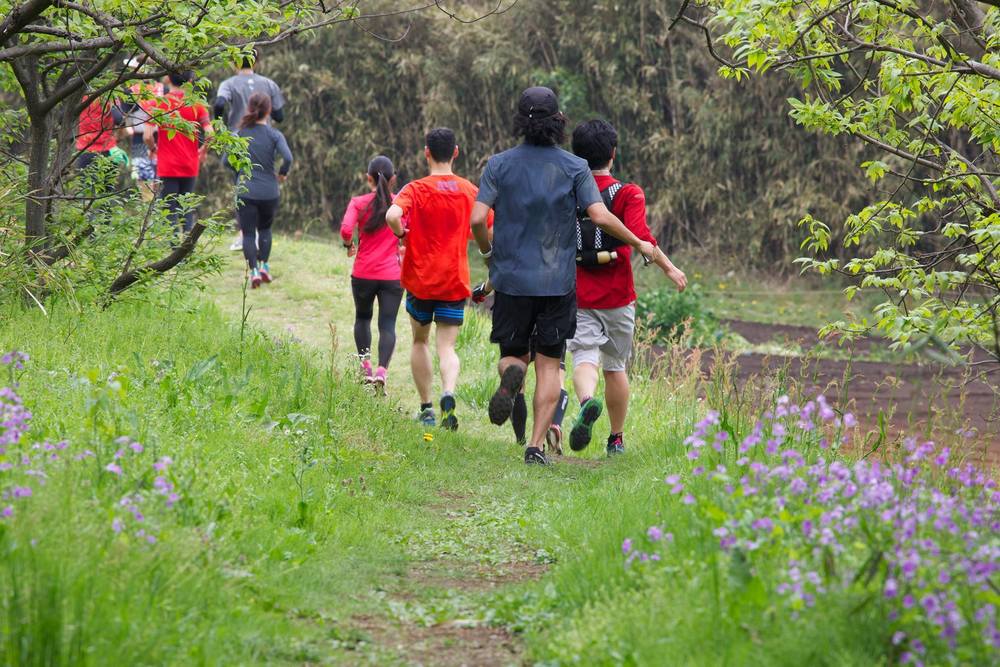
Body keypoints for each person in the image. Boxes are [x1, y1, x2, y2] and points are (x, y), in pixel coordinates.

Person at [470, 86, 656, 465]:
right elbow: (600, 216)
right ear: (559, 123)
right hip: (557, 281)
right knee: (550, 365)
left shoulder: (499, 164)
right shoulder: (575, 168)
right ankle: (536, 446)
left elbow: (476, 219)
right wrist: (639, 243)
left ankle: (512, 375)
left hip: (511, 279)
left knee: (513, 355)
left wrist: (490, 254)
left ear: (520, 122)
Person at [567, 119, 687, 456]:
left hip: (578, 292)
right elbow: (643, 240)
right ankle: (615, 439)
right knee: (615, 366)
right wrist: (670, 268)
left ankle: (588, 402)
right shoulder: (627, 193)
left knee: (584, 358)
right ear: (613, 154)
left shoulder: (569, 190)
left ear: (577, 155)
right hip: (618, 295)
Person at [385, 128, 490, 431]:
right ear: (456, 152)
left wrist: (399, 232)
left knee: (420, 341)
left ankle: (427, 407)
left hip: (420, 279)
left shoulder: (415, 189)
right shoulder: (470, 190)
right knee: (447, 347)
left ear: (426, 153)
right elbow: (488, 226)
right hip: (454, 279)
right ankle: (449, 393)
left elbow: (393, 215)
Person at [340, 156, 403, 390]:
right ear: (393, 179)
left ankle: (365, 368)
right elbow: (409, 230)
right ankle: (381, 372)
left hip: (363, 273)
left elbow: (346, 228)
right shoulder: (399, 205)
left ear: (368, 179)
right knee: (387, 325)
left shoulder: (359, 203)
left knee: (363, 318)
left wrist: (349, 245)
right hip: (392, 276)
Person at [214, 49, 286, 251]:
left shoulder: (228, 84)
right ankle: (259, 234)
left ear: (234, 62)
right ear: (257, 62)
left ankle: (244, 234)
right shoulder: (269, 83)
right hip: (265, 140)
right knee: (262, 182)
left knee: (242, 185)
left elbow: (220, 103)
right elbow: (280, 115)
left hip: (238, 139)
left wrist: (219, 124)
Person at [230, 92, 292, 288]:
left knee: (248, 234)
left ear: (249, 109)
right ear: (269, 110)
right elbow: (288, 158)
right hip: (269, 191)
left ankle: (254, 271)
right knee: (265, 229)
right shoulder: (275, 135)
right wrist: (281, 174)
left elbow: (226, 160)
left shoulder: (240, 133)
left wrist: (240, 171)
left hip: (246, 190)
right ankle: (265, 266)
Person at [145, 71, 213, 234]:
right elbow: (210, 133)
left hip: (167, 164)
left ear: (168, 79)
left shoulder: (158, 103)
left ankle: (174, 250)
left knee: (170, 207)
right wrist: (203, 151)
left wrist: (154, 149)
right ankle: (186, 248)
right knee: (186, 206)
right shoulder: (197, 104)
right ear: (190, 81)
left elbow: (147, 135)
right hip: (190, 162)